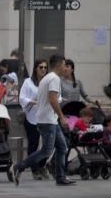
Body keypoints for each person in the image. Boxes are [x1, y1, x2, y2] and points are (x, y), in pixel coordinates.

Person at [13, 54, 76, 186]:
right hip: (47, 120)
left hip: (49, 119)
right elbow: (52, 99)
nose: (65, 68)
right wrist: (62, 117)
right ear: (59, 65)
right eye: (64, 65)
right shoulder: (54, 79)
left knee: (62, 147)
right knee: (46, 151)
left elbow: (49, 98)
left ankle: (60, 177)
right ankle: (19, 166)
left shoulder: (46, 78)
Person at [20, 59, 49, 180]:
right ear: (36, 68)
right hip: (32, 117)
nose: (43, 69)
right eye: (41, 67)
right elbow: (22, 97)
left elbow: (55, 96)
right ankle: (34, 169)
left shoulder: (48, 82)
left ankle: (42, 166)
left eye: (45, 67)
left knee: (48, 144)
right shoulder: (28, 82)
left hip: (46, 117)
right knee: (34, 143)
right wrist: (31, 101)